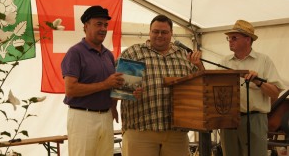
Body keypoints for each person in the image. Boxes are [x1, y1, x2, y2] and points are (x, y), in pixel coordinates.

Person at [119, 14, 204, 156]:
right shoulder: (132, 53)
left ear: (171, 34)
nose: (159, 35)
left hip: (176, 133)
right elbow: (119, 88)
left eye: (164, 32)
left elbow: (201, 87)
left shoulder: (185, 55)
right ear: (149, 32)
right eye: (155, 31)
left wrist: (199, 65)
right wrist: (129, 92)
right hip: (140, 131)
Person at [61, 5, 125, 156]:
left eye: (106, 25)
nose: (103, 28)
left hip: (106, 116)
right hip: (83, 117)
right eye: (98, 24)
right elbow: (71, 89)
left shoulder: (108, 55)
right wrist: (105, 84)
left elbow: (112, 85)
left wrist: (118, 100)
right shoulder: (75, 53)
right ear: (86, 26)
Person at [219, 19, 286, 156]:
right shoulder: (224, 62)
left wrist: (258, 82)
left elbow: (274, 94)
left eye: (234, 38)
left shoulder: (264, 61)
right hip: (228, 119)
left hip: (255, 119)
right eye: (229, 38)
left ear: (247, 39)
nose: (230, 41)